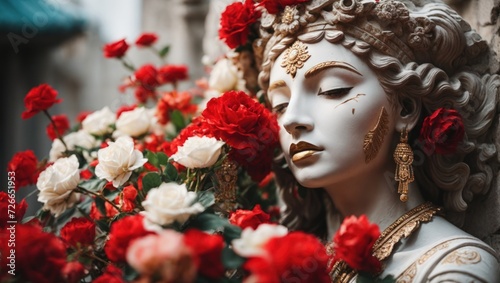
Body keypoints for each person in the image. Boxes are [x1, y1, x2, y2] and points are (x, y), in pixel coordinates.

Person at [218, 0, 500, 281]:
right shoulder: (293, 262)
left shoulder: (452, 268)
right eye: (280, 105)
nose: (291, 119)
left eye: (332, 90)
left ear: (405, 108)